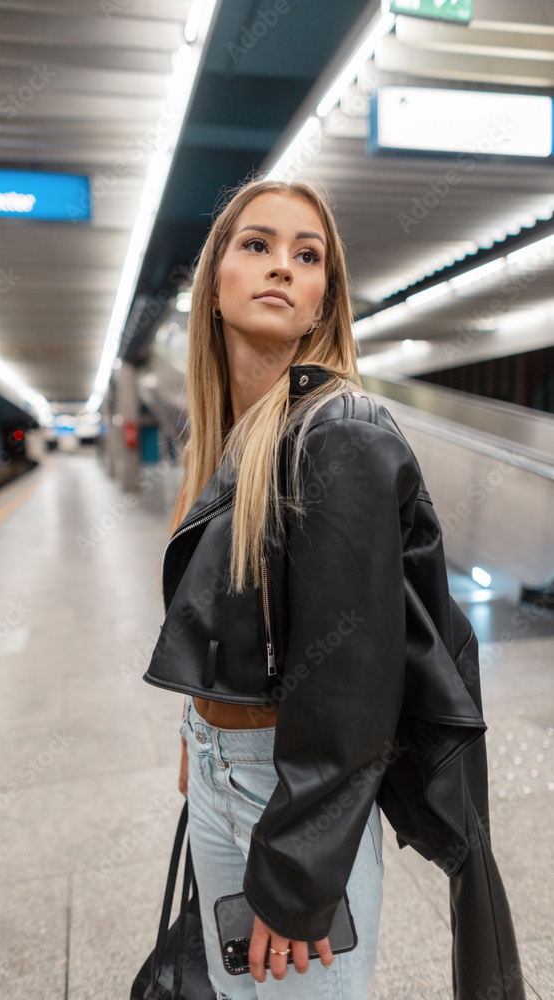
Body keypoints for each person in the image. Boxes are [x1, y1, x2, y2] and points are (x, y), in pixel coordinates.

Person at [143, 177, 524, 1000]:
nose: (281, 265)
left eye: (305, 255)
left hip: (292, 792)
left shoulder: (338, 435)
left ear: (321, 302)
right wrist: (193, 735)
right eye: (256, 245)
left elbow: (351, 687)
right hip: (216, 773)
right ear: (215, 286)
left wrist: (299, 872)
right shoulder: (219, 444)